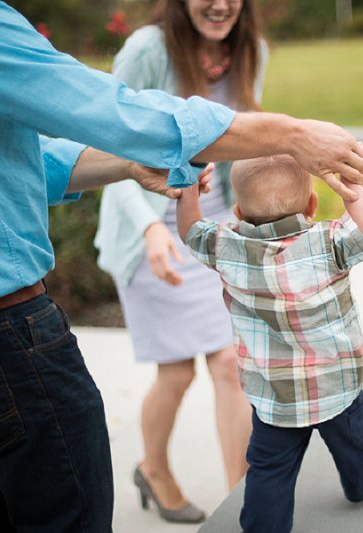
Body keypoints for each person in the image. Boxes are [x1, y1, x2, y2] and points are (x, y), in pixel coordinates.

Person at [0, 1, 363, 531]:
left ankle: (238, 491)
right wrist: (291, 134)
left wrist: (128, 164)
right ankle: (160, 470)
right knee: (86, 491)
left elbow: (13, 161)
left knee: (225, 365)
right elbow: (108, 112)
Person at [94, 0, 266, 522]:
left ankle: (243, 503)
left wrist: (258, 217)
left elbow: (244, 142)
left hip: (213, 229)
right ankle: (154, 469)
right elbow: (106, 147)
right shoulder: (148, 50)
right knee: (176, 373)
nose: (220, 4)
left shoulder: (251, 50)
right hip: (149, 227)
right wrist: (149, 229)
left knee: (231, 365)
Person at [177, 155, 363, 533]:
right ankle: (361, 485)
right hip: (337, 386)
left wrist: (189, 186)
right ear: (312, 204)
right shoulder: (328, 243)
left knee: (269, 471)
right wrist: (351, 186)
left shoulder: (227, 247)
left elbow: (190, 228)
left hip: (275, 397)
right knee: (357, 446)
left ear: (238, 211)